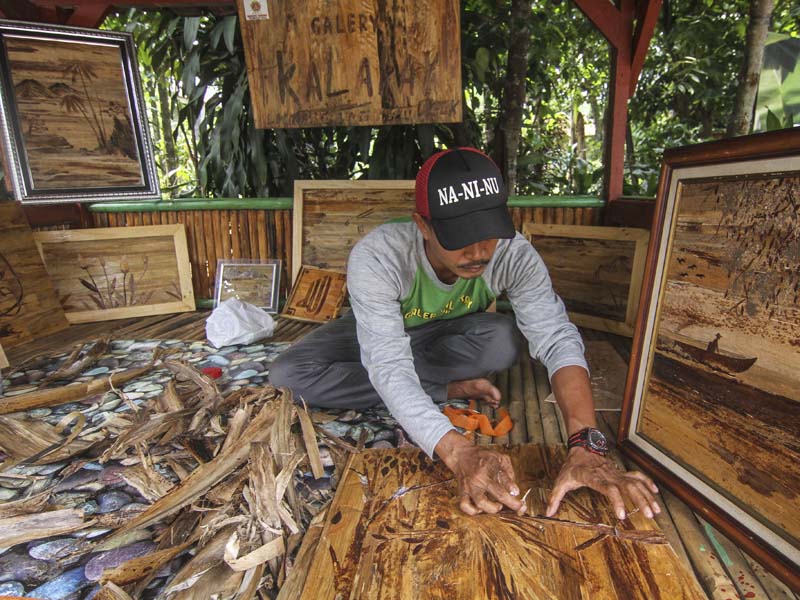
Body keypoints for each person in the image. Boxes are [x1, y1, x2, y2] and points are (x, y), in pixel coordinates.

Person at [269, 147, 660, 520]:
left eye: (489, 232)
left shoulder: (512, 254)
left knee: (502, 342)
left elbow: (556, 338)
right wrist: (457, 451)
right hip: (381, 329)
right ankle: (447, 389)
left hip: (453, 332)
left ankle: (430, 383)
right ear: (422, 225)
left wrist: (585, 443)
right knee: (288, 376)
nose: (478, 252)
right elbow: (388, 361)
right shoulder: (378, 257)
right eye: (459, 237)